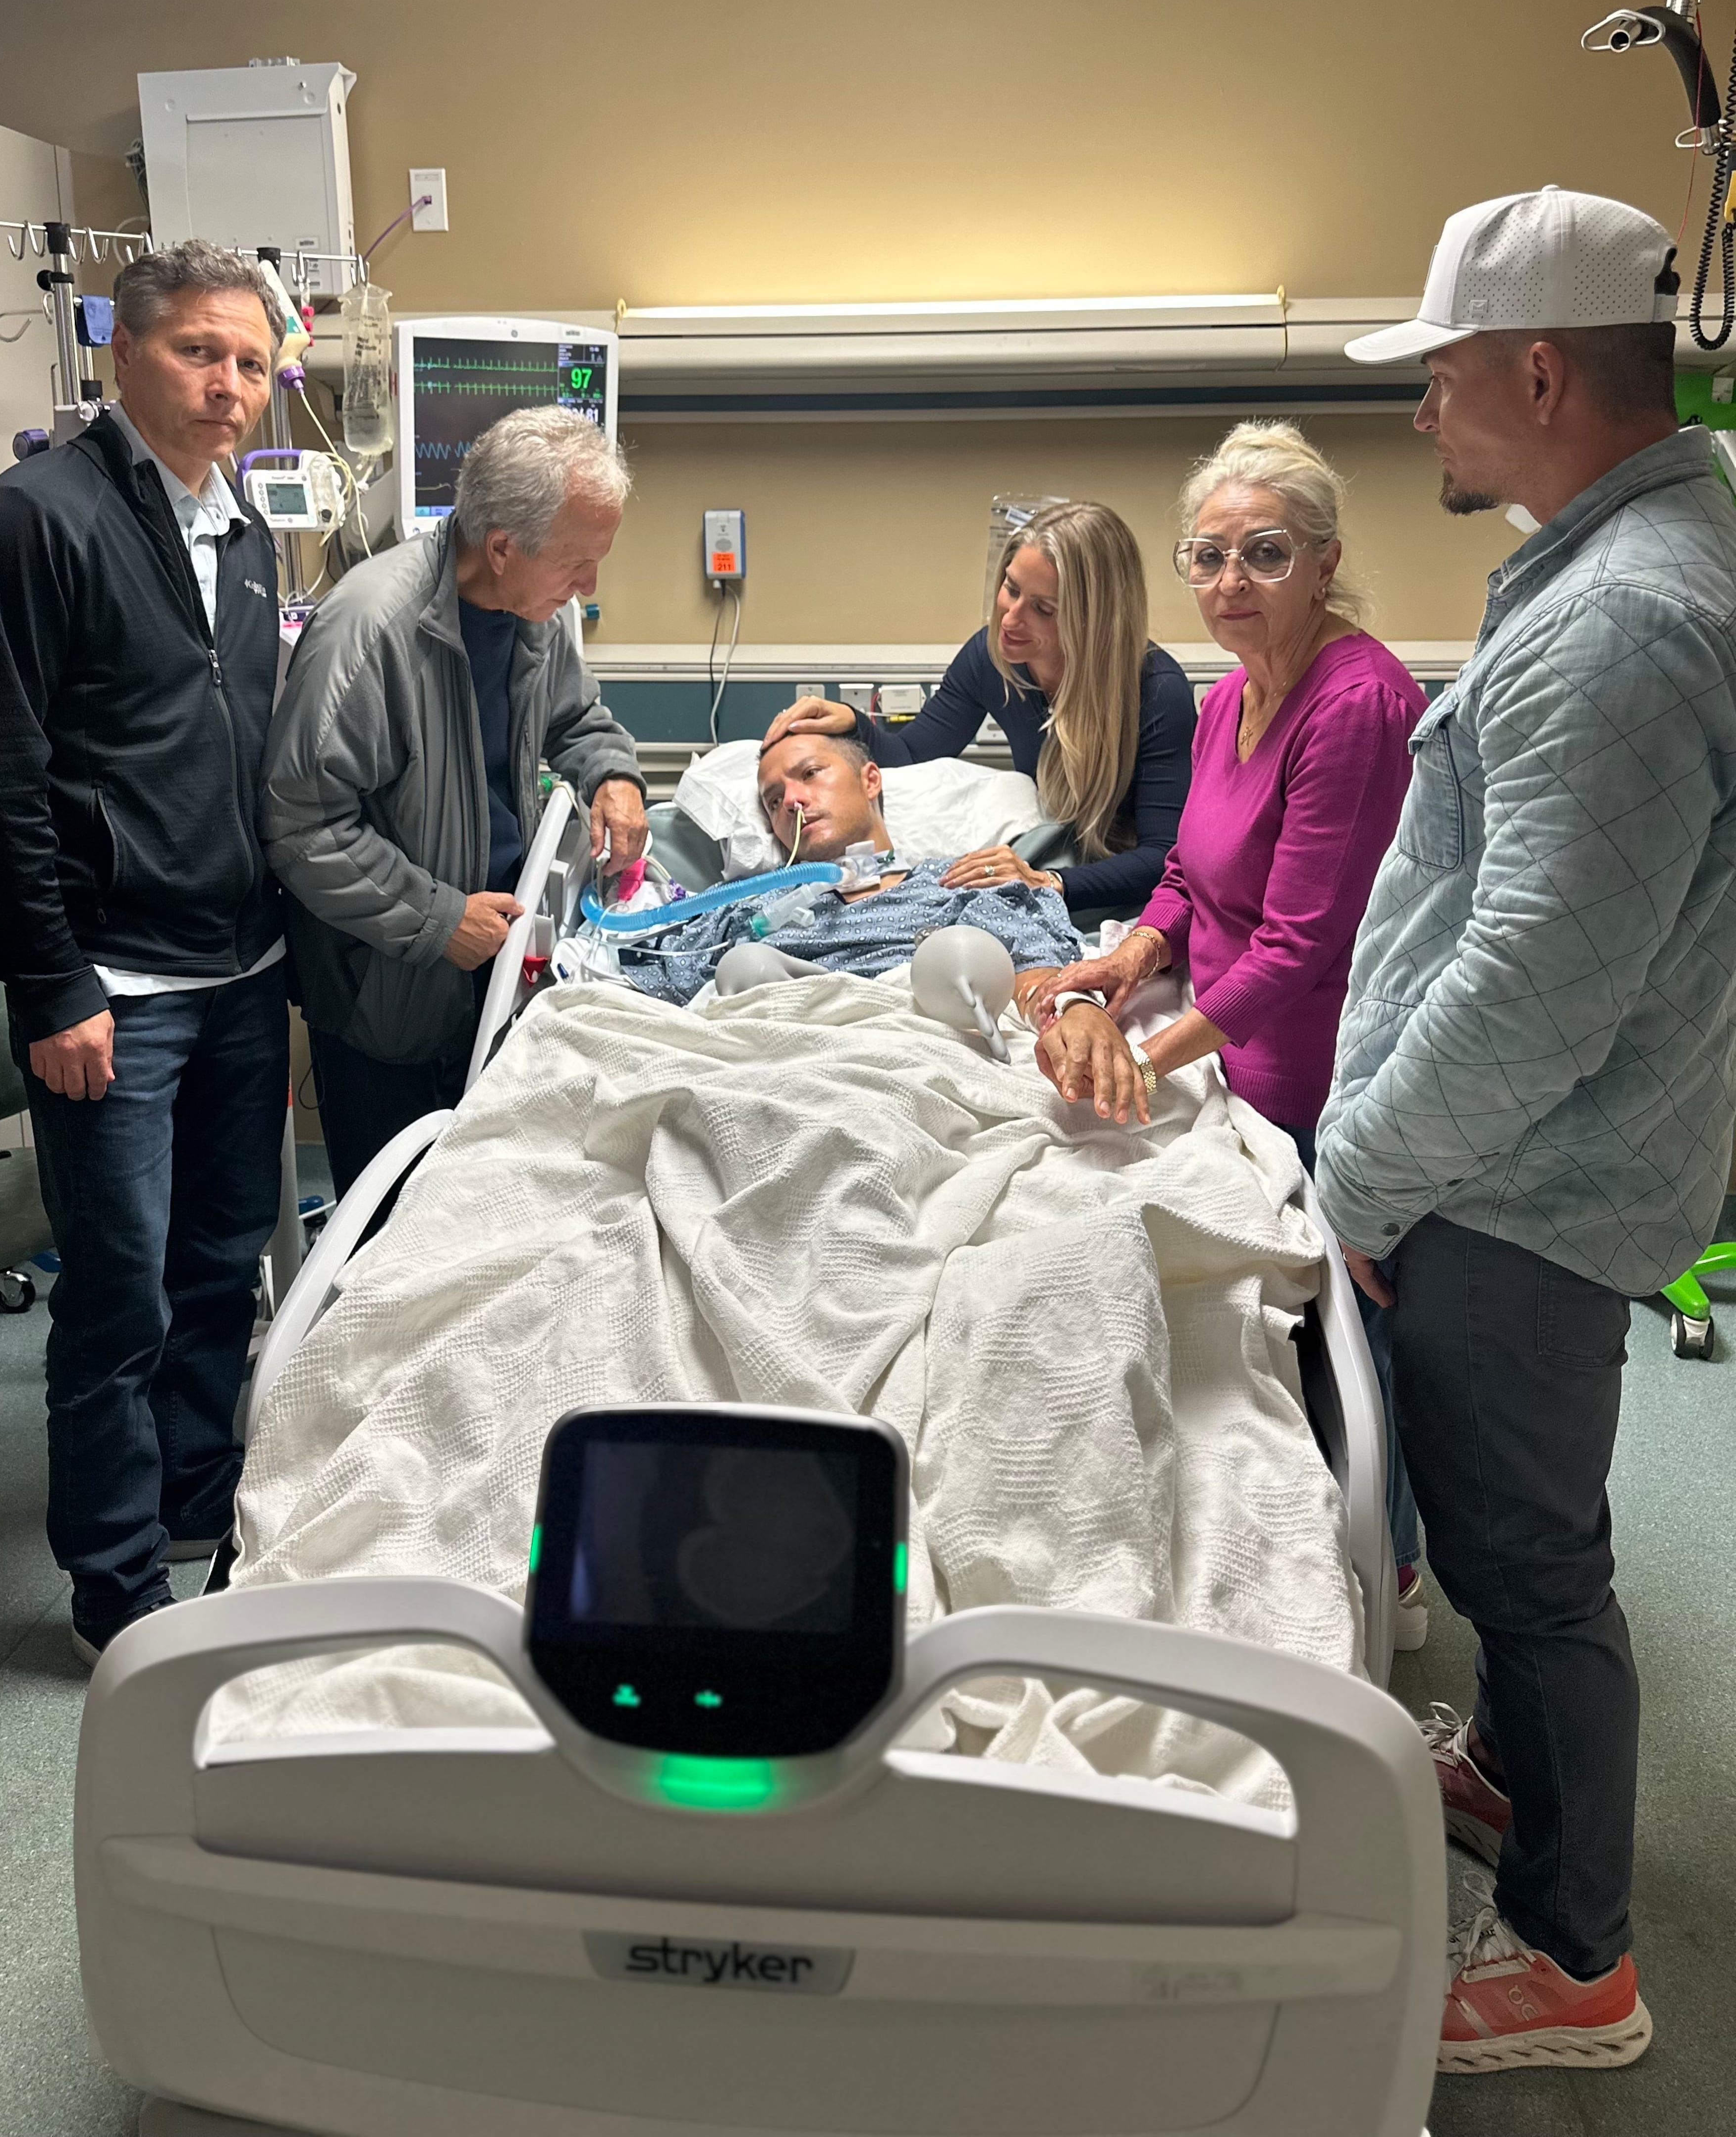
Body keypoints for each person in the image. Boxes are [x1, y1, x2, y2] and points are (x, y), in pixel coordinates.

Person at [1319, 186, 1736, 2075]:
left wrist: (1362, 1177)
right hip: (1531, 1167)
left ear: (1543, 369)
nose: (1423, 411)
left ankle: (1578, 1962)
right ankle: (1504, 1764)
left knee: (1535, 1559)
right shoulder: (1635, 562)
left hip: (1521, 1188)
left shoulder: (1626, 624)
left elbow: (1532, 991)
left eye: (1441, 374)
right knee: (1506, 1539)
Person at [0, 239, 291, 1666]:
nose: (230, 384)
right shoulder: (32, 522)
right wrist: (51, 979)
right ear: (123, 353)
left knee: (219, 1265)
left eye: (253, 362)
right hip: (116, 995)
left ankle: (202, 1515)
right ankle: (117, 1594)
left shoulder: (245, 537)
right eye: (203, 351)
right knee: (119, 1297)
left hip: (240, 969)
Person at [1015, 426, 1431, 1646]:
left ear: (1324, 561)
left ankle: (1382, 1571)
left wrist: (1140, 1054)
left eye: (1264, 552)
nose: (1229, 581)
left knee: (1334, 1347)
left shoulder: (1354, 704)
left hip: (1315, 1080)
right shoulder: (1224, 701)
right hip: (1230, 1067)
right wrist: (1126, 957)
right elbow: (1193, 882)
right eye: (1207, 555)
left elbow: (1301, 947)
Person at [263, 404, 648, 1196]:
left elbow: (576, 716)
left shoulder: (531, 616)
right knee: (389, 1237)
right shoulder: (372, 634)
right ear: (503, 548)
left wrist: (612, 776)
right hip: (391, 999)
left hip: (495, 974)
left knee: (484, 1222)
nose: (592, 585)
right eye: (578, 563)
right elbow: (303, 825)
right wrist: (438, 919)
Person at [762, 500, 1193, 919]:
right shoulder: (992, 660)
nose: (1010, 618)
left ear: (1093, 621)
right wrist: (856, 724)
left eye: (1043, 609)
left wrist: (1049, 883)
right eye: (1011, 588)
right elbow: (913, 756)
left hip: (1123, 896)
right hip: (1051, 870)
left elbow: (1163, 859)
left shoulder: (1155, 693)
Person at [621, 728, 1088, 1016]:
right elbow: (642, 989)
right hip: (783, 1076)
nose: (791, 800)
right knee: (747, 966)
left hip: (927, 1060)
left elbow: (1044, 977)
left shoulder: (959, 881)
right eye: (772, 799)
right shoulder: (745, 909)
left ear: (870, 779)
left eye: (810, 774)